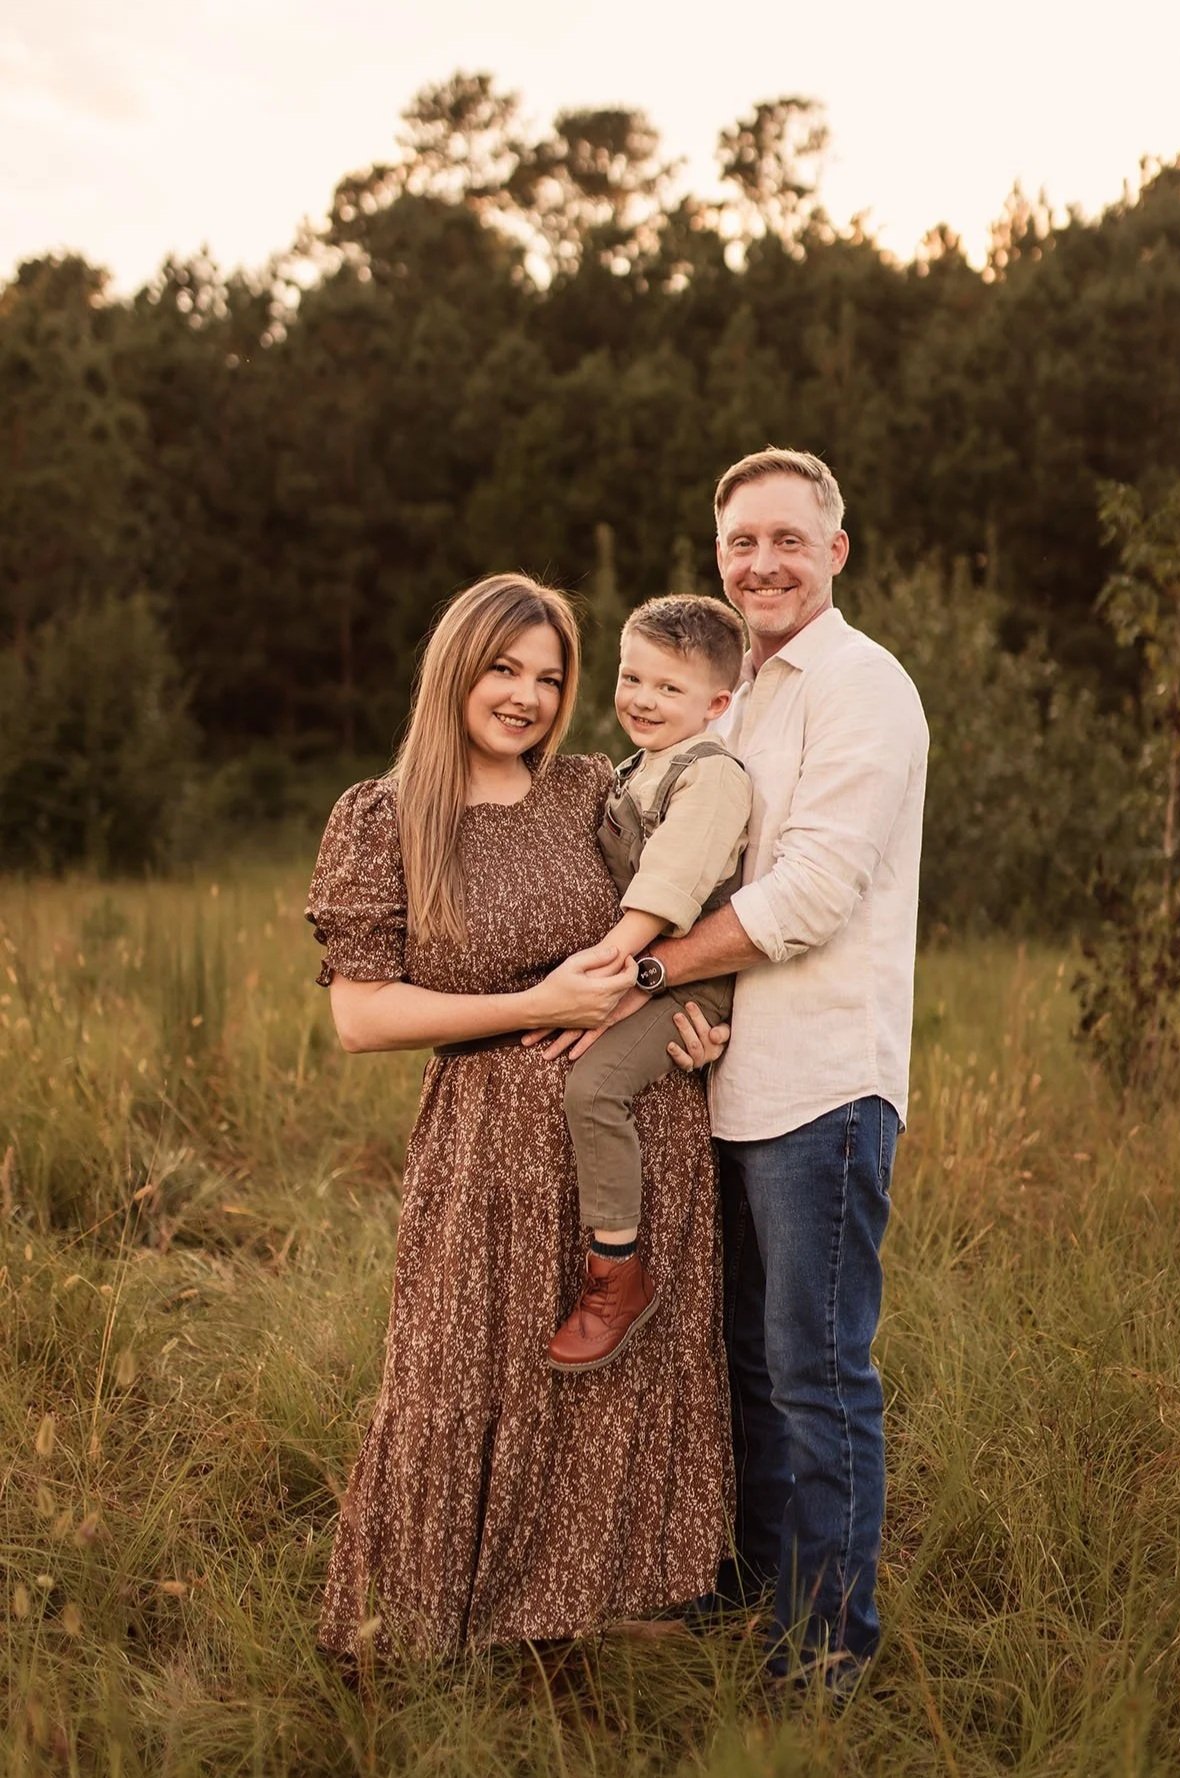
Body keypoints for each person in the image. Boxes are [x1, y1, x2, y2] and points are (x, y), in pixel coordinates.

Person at [305, 573, 732, 1658]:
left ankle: (579, 1626)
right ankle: (416, 1629)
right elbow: (359, 1016)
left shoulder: (592, 789)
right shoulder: (383, 816)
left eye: (549, 676)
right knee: (457, 1379)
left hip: (636, 1135)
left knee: (610, 1390)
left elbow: (701, 895)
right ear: (456, 665)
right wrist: (535, 1002)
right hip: (485, 1143)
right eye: (504, 667)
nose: (528, 696)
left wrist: (697, 1016)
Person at [568, 450, 928, 1691]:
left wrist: (650, 975)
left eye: (785, 538)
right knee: (748, 1373)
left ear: (836, 549)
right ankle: (754, 1601)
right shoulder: (744, 695)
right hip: (729, 1079)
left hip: (824, 1084)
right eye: (738, 543)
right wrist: (691, 1010)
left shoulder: (860, 686)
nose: (759, 562)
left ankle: (825, 1657)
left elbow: (811, 893)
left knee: (817, 1375)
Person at [548, 594, 751, 1374]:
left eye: (669, 689)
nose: (641, 699)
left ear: (717, 702)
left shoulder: (712, 776)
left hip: (685, 980)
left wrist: (603, 974)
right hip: (637, 964)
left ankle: (617, 1274)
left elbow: (669, 884)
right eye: (633, 678)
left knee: (592, 1088)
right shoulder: (634, 769)